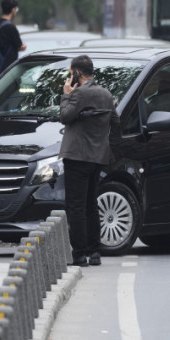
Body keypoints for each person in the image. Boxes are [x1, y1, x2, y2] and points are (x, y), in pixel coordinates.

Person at [59, 55, 119, 267]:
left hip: (77, 156)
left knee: (76, 207)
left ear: (77, 73)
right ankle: (95, 252)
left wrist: (66, 95)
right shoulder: (106, 93)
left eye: (70, 73)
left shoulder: (78, 94)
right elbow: (115, 120)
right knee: (91, 205)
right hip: (98, 157)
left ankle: (79, 255)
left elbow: (65, 116)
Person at [0, 0, 26, 77]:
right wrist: (24, 46)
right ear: (13, 10)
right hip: (8, 67)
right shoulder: (10, 27)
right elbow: (20, 46)